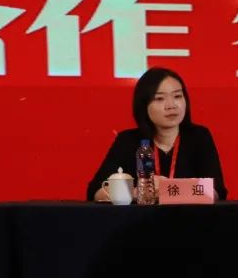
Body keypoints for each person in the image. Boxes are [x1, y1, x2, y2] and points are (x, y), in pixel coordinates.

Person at [87, 67, 227, 201]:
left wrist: (167, 189)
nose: (171, 105)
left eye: (177, 96)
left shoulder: (199, 137)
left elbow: (216, 191)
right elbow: (96, 191)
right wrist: (141, 192)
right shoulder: (128, 140)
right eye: (160, 99)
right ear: (144, 105)